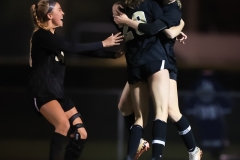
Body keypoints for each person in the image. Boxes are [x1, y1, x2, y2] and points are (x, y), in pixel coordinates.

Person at [29, 0, 123, 160]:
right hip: (43, 92)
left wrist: (112, 55)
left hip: (58, 93)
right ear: (50, 15)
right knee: (63, 125)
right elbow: (73, 48)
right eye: (60, 10)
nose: (63, 13)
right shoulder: (41, 37)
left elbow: (79, 49)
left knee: (81, 133)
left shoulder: (55, 38)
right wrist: (103, 43)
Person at [113, 0, 202, 160]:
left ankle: (193, 150)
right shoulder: (152, 4)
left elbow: (167, 33)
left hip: (164, 61)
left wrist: (179, 26)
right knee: (124, 106)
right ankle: (139, 142)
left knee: (170, 111)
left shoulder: (173, 8)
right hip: (143, 60)